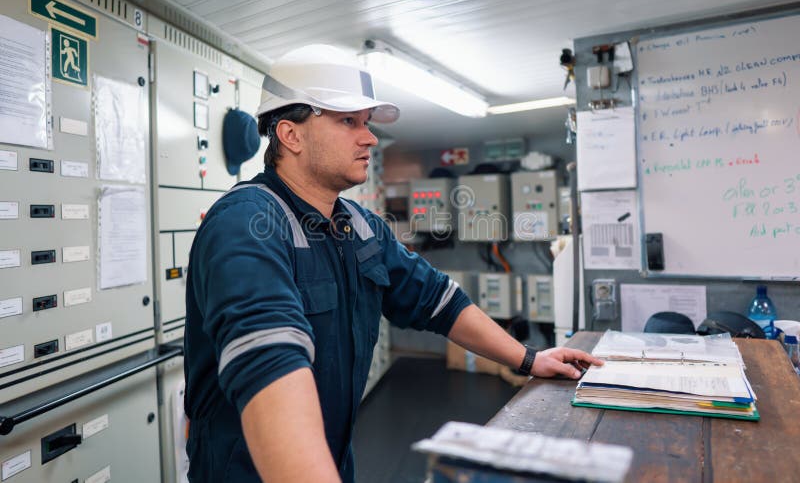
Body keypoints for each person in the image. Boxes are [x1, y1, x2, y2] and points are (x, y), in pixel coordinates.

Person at [184, 44, 603, 483]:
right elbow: (269, 364)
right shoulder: (246, 224)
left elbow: (438, 301)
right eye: (348, 122)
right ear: (291, 135)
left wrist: (529, 359)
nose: (369, 138)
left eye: (366, 122)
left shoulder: (359, 226)